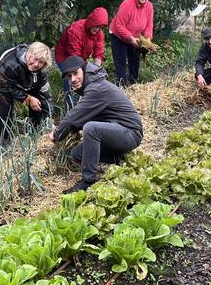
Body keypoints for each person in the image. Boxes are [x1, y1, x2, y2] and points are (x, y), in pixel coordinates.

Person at [49, 56, 143, 194]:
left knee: (91, 128)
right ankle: (121, 158)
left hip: (131, 133)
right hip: (117, 130)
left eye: (75, 73)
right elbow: (81, 117)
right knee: (78, 154)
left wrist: (57, 134)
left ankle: (88, 181)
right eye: (69, 76)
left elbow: (73, 116)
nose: (73, 79)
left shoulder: (96, 88)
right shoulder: (92, 85)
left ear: (84, 69)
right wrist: (72, 128)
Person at [0, 42, 54, 145]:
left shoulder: (41, 71)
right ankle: (5, 140)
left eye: (41, 62)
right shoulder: (10, 64)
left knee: (37, 99)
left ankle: (35, 130)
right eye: (35, 59)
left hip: (15, 78)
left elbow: (45, 93)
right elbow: (5, 87)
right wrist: (27, 98)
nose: (36, 64)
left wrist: (49, 117)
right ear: (29, 53)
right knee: (6, 103)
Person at [55, 7, 109, 107]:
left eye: (101, 28)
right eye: (97, 26)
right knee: (70, 78)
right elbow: (74, 54)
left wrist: (96, 69)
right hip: (64, 57)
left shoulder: (99, 34)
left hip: (81, 58)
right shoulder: (76, 29)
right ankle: (70, 105)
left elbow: (99, 52)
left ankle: (83, 101)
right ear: (92, 22)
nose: (98, 30)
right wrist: (85, 70)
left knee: (85, 78)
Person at [109, 0, 154, 86]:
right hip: (118, 35)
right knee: (121, 62)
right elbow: (119, 25)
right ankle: (121, 86)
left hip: (136, 37)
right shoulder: (127, 4)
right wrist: (131, 38)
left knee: (135, 61)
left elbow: (149, 25)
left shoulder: (149, 6)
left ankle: (133, 85)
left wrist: (147, 39)